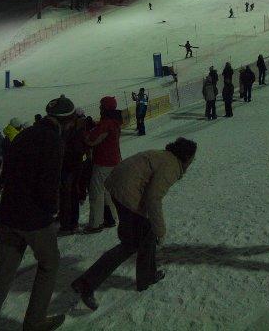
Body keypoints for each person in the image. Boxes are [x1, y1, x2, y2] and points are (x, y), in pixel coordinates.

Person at [0, 96, 71, 331]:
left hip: (9, 214)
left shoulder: (23, 135)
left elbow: (5, 174)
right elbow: (49, 181)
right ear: (65, 121)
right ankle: (35, 321)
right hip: (34, 219)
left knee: (1, 278)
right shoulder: (53, 141)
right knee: (50, 263)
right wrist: (52, 208)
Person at [71, 138, 197, 310]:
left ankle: (147, 276)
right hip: (127, 193)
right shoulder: (172, 166)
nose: (192, 162)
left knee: (144, 235)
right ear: (186, 156)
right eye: (192, 159)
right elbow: (154, 198)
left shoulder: (163, 156)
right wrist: (161, 231)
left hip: (118, 186)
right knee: (132, 242)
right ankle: (86, 283)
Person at [83, 97, 122, 233]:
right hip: (114, 161)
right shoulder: (115, 122)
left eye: (101, 106)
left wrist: (87, 131)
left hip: (103, 162)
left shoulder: (106, 123)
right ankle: (111, 218)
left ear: (104, 108)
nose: (99, 108)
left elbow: (91, 140)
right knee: (106, 191)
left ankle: (95, 223)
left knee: (96, 192)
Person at [58, 109, 90, 236]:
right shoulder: (79, 130)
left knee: (67, 196)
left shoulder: (70, 131)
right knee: (71, 196)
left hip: (69, 167)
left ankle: (68, 225)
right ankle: (71, 223)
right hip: (74, 166)